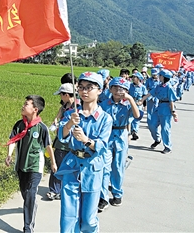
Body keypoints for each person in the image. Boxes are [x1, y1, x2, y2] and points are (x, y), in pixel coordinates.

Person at [55, 72, 112, 233]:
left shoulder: (105, 118)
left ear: (99, 90)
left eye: (89, 88)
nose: (84, 91)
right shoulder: (72, 114)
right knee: (68, 217)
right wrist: (69, 124)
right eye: (81, 87)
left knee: (88, 219)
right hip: (72, 166)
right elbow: (62, 136)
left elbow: (103, 146)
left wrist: (86, 140)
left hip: (92, 168)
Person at [5, 95, 57, 233]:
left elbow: (48, 146)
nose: (23, 106)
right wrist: (9, 155)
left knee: (30, 194)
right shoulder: (19, 125)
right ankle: (31, 204)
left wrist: (53, 163)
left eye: (26, 104)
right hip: (21, 166)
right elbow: (12, 140)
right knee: (25, 192)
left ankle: (28, 227)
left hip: (35, 167)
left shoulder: (41, 128)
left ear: (35, 109)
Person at [98, 77, 142, 211]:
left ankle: (117, 193)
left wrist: (130, 99)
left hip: (121, 135)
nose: (118, 91)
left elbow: (137, 116)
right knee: (104, 167)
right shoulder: (104, 104)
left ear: (127, 91)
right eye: (115, 87)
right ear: (110, 89)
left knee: (118, 166)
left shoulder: (128, 104)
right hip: (107, 135)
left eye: (122, 89)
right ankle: (103, 197)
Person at [48, 83, 76, 200]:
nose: (60, 97)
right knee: (57, 163)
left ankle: (64, 188)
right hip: (61, 140)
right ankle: (54, 190)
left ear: (66, 94)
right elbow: (60, 112)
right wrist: (56, 119)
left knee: (68, 167)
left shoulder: (77, 107)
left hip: (72, 141)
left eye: (61, 95)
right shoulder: (65, 105)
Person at [142, 69, 178, 154]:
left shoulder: (169, 87)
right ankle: (157, 139)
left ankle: (168, 147)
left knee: (165, 128)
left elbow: (171, 100)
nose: (159, 77)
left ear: (164, 77)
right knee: (151, 124)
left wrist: (173, 111)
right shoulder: (159, 86)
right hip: (158, 107)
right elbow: (150, 93)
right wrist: (142, 100)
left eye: (160, 76)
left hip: (166, 108)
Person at [128, 72, 147, 140]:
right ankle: (130, 131)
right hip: (130, 104)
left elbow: (144, 96)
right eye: (132, 77)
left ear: (138, 79)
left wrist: (144, 105)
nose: (133, 79)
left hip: (138, 104)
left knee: (136, 119)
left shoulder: (143, 87)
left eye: (134, 77)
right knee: (130, 118)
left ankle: (134, 132)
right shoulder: (130, 86)